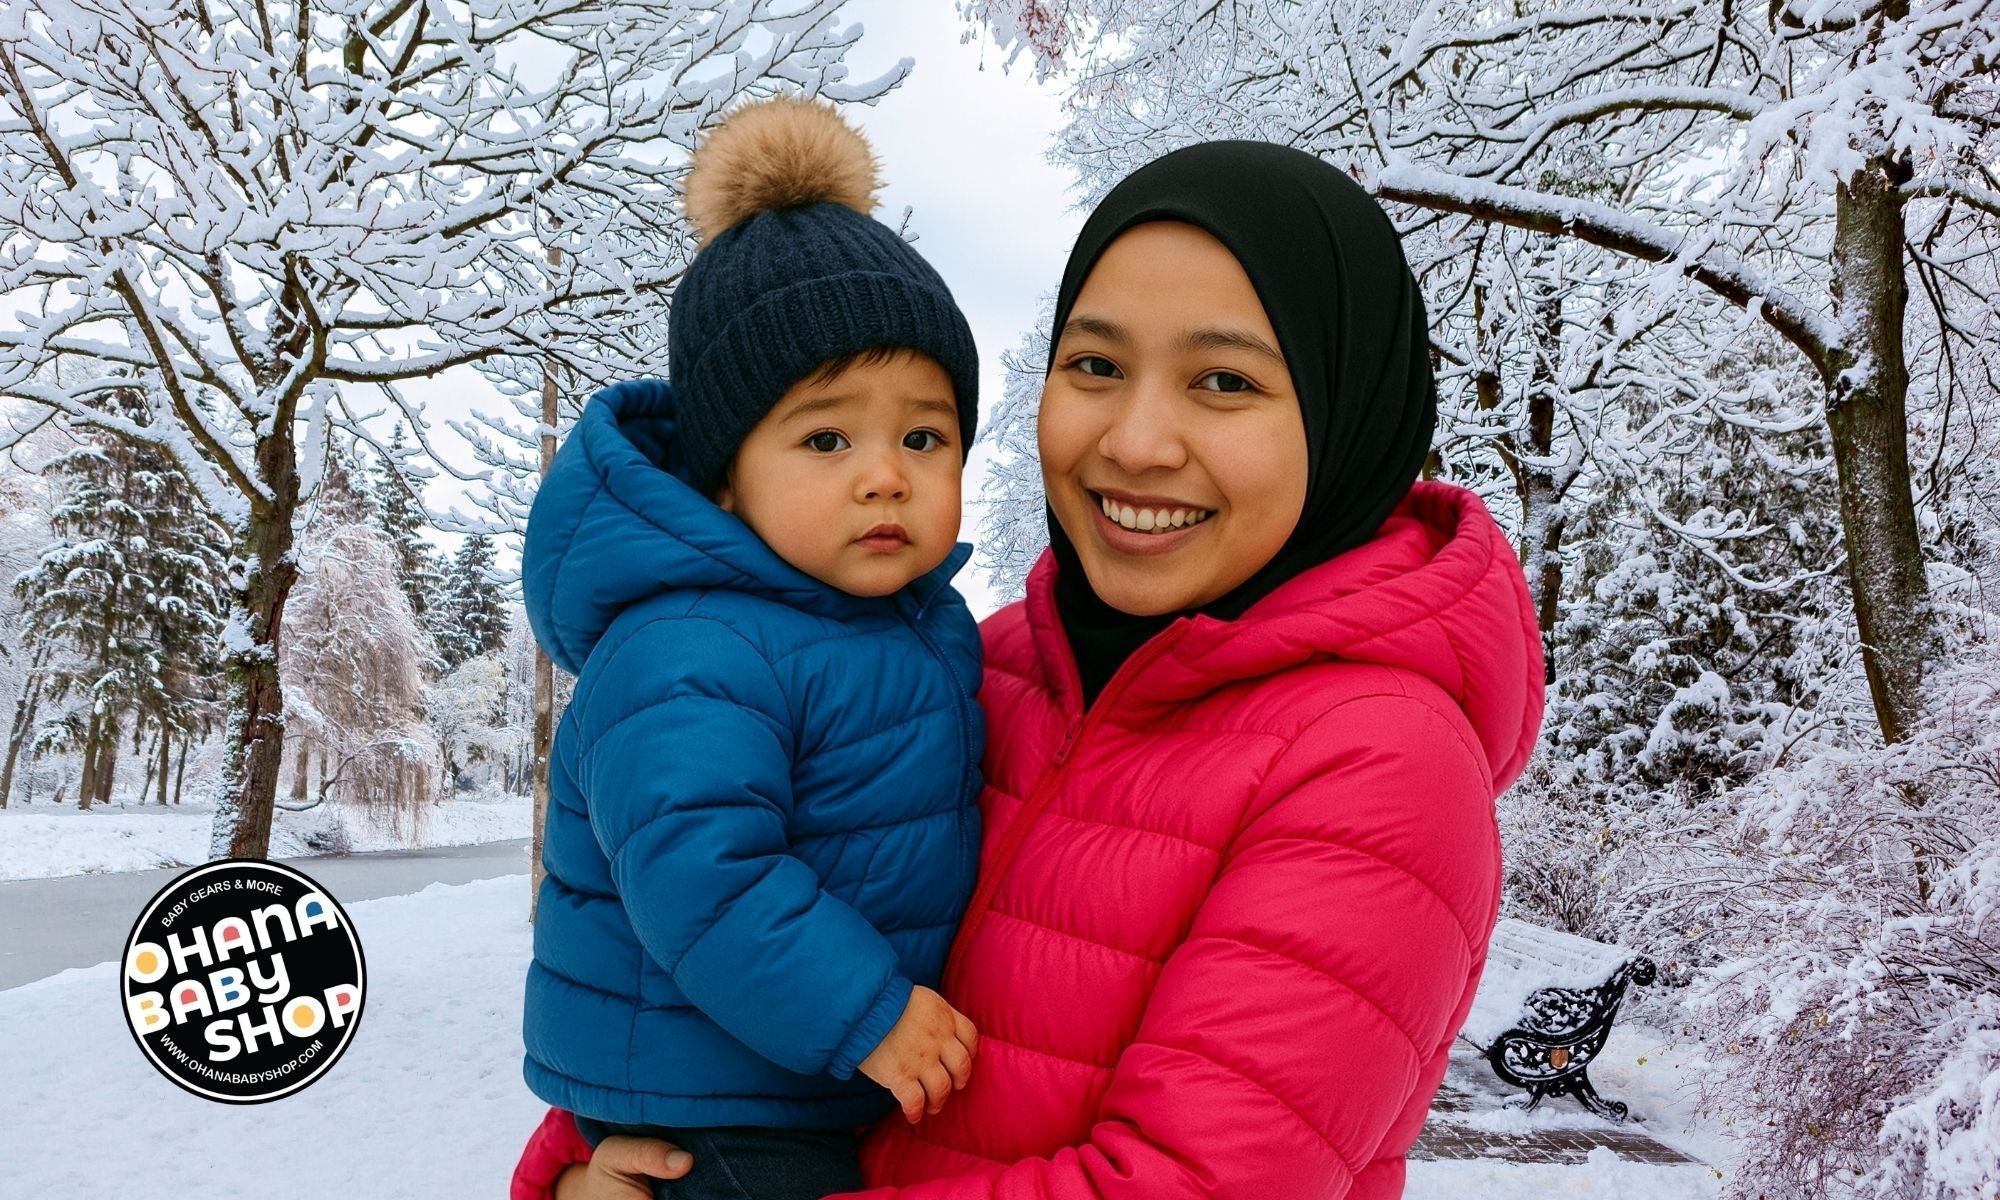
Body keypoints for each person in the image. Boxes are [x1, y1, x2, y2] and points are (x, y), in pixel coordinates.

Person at [514, 138, 1545, 1200]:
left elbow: (1184, 1185)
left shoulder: (1380, 764)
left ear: (1345, 412)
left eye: (1224, 381)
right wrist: (583, 1172)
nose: (1136, 442)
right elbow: (689, 975)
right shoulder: (994, 667)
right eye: (1095, 366)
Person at [516, 96, 988, 1200]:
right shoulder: (689, 644)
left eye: (924, 435)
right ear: (726, 478)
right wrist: (865, 1010)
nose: (885, 475)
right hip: (709, 1105)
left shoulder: (908, 628)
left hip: (789, 1082)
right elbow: (701, 870)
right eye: (826, 437)